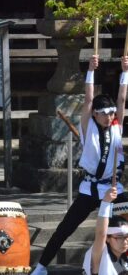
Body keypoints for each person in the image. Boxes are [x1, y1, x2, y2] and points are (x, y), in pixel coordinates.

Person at [31, 55, 128, 275]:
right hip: (90, 189)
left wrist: (125, 71)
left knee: (124, 225)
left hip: (113, 189)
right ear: (95, 114)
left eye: (111, 113)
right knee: (64, 229)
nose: (110, 116)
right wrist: (91, 70)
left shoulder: (116, 127)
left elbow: (122, 99)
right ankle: (42, 266)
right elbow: (88, 98)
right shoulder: (88, 129)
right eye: (104, 114)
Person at [83, 186, 128, 274]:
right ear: (107, 238)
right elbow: (101, 234)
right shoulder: (101, 257)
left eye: (127, 237)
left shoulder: (125, 258)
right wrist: (105, 202)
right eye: (119, 237)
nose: (125, 242)